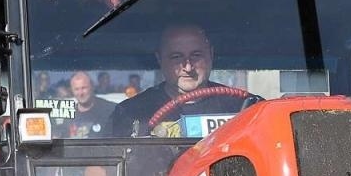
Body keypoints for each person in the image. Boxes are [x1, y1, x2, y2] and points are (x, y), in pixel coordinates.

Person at [109, 24, 259, 137]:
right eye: (176, 57)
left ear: (211, 54)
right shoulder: (131, 112)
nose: (187, 67)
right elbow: (99, 173)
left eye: (196, 55)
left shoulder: (244, 107)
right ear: (159, 59)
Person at [65, 70, 110, 138]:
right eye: (76, 89)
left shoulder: (110, 110)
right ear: (72, 91)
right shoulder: (69, 114)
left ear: (92, 87)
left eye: (84, 88)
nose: (81, 93)